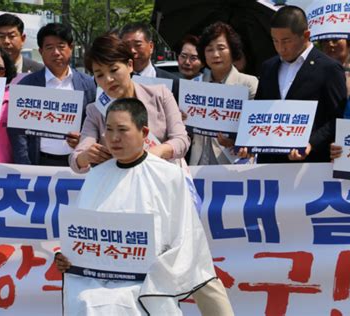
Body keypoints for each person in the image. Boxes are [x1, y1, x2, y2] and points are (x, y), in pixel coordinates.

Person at [56, 98, 233, 315]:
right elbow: (82, 237)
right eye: (109, 130)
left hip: (151, 279)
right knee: (88, 300)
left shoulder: (168, 175)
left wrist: (152, 269)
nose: (114, 138)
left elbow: (186, 241)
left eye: (122, 130)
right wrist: (68, 259)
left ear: (144, 131)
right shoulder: (96, 175)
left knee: (126, 300)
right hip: (97, 281)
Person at [69, 34, 189, 173]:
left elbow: (181, 140)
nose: (108, 79)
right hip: (123, 185)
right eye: (99, 75)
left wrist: (152, 154)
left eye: (114, 70)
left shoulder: (160, 95)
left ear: (130, 65)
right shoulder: (95, 110)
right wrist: (85, 157)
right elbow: (76, 158)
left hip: (163, 179)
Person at [249, 5, 347, 164]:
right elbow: (259, 111)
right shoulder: (268, 67)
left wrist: (311, 143)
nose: (281, 48)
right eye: (275, 41)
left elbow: (337, 118)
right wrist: (247, 143)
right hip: (268, 165)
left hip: (310, 166)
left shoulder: (329, 68)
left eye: (286, 41)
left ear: (306, 35)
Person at [8, 23, 96, 166]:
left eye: (61, 46)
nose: (56, 52)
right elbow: (18, 133)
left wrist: (84, 140)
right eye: (49, 47)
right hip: (39, 162)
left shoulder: (88, 84)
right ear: (41, 51)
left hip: (77, 163)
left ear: (71, 48)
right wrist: (26, 166)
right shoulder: (27, 84)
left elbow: (94, 124)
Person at [189, 22, 258, 165]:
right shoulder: (195, 85)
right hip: (198, 162)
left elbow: (255, 129)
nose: (215, 55)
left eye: (221, 48)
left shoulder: (249, 84)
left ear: (232, 51)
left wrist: (235, 140)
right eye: (209, 49)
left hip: (232, 162)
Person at [119, 22, 180, 99]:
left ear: (151, 46)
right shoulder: (115, 81)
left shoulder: (173, 82)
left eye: (138, 45)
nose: (132, 50)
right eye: (126, 46)